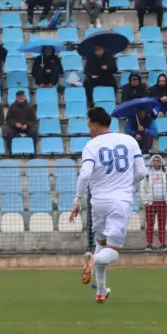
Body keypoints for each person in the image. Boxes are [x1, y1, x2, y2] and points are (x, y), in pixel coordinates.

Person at [70, 107, 148, 303]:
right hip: (120, 201)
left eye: (89, 126)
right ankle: (93, 260)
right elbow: (142, 172)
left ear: (96, 125)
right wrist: (125, 184)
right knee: (112, 251)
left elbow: (85, 174)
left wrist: (77, 200)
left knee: (101, 244)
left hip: (99, 202)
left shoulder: (91, 145)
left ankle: (101, 290)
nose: (89, 130)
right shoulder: (129, 140)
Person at [141, 155, 167, 251]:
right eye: (154, 160)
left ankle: (163, 243)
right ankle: (149, 244)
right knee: (150, 224)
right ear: (151, 162)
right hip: (151, 203)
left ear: (161, 162)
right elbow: (142, 188)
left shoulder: (166, 173)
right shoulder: (147, 173)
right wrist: (145, 201)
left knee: (162, 224)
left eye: (158, 160)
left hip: (163, 202)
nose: (156, 162)